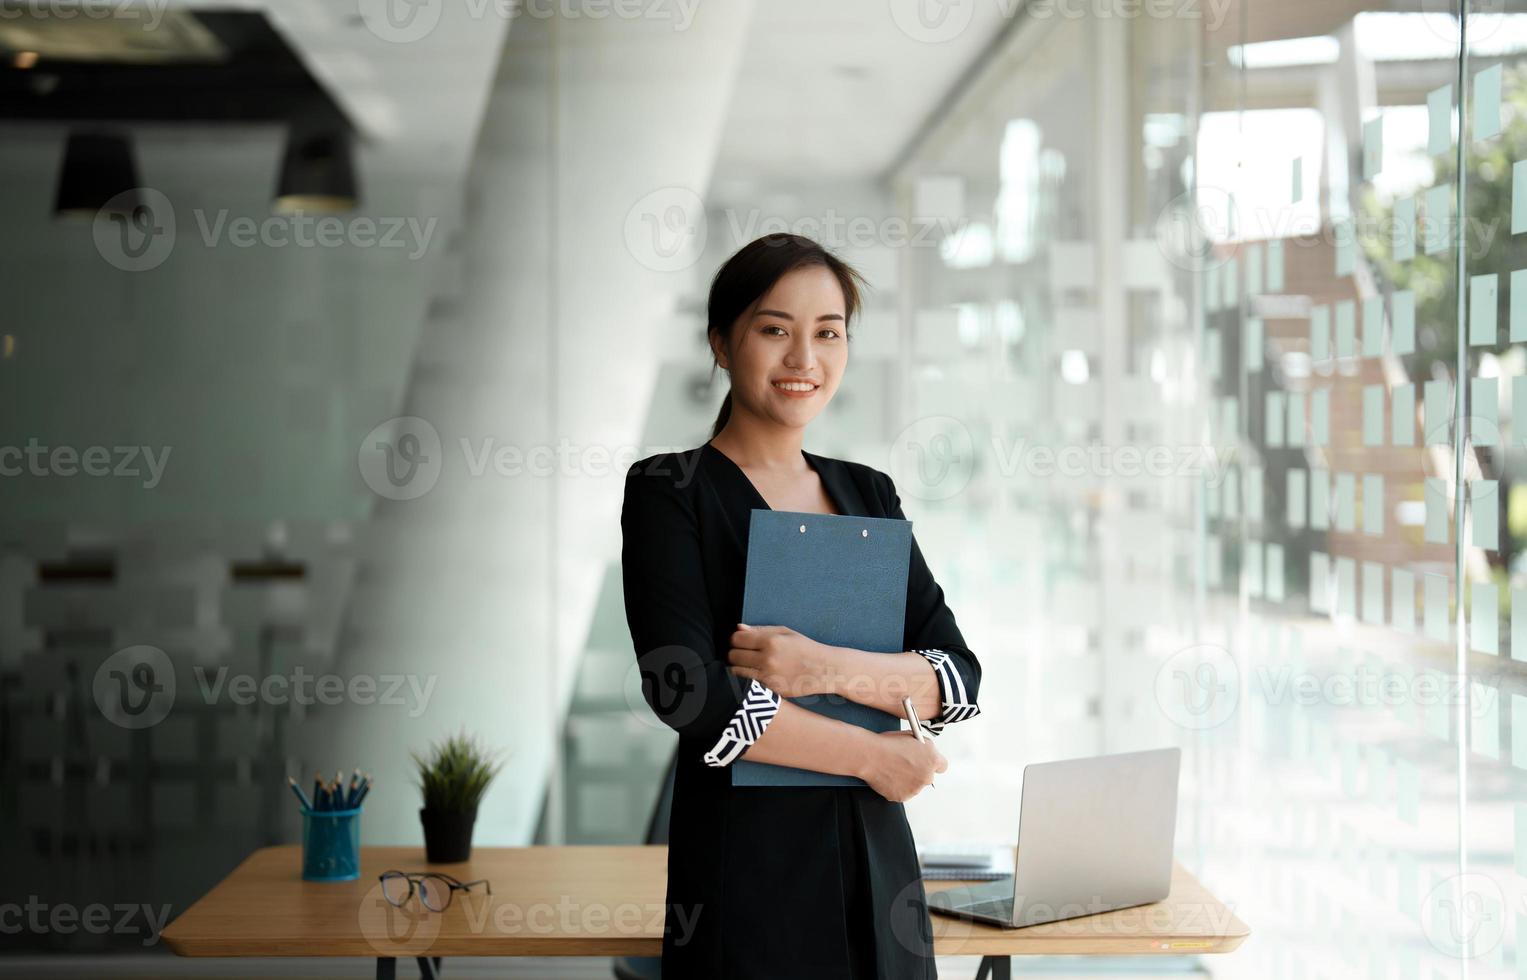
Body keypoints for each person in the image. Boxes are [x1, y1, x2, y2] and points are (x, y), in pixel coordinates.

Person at [620, 232, 983, 979]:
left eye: (827, 333)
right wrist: (873, 757)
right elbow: (686, 692)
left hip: (879, 868)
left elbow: (955, 677)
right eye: (774, 330)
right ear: (721, 343)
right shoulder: (670, 491)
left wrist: (827, 667)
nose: (803, 360)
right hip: (745, 871)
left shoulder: (868, 493)